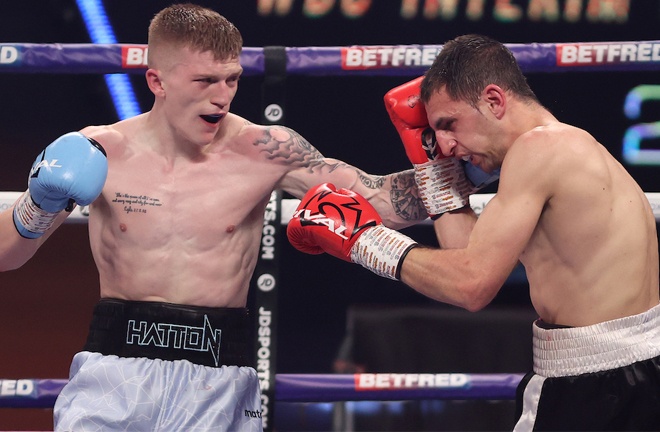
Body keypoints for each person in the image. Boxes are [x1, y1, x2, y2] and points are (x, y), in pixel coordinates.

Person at [0, 3, 465, 430]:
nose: (222, 97)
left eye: (232, 79)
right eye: (204, 81)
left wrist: (472, 162)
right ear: (157, 81)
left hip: (217, 382)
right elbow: (8, 255)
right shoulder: (101, 150)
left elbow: (381, 202)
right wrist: (37, 202)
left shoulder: (266, 149)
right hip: (114, 375)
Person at [288, 34, 660, 431]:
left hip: (598, 385)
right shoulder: (564, 147)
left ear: (494, 100)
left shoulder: (539, 150)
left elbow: (470, 285)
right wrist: (433, 172)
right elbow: (467, 254)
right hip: (635, 368)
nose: (445, 145)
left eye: (449, 124)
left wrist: (364, 239)